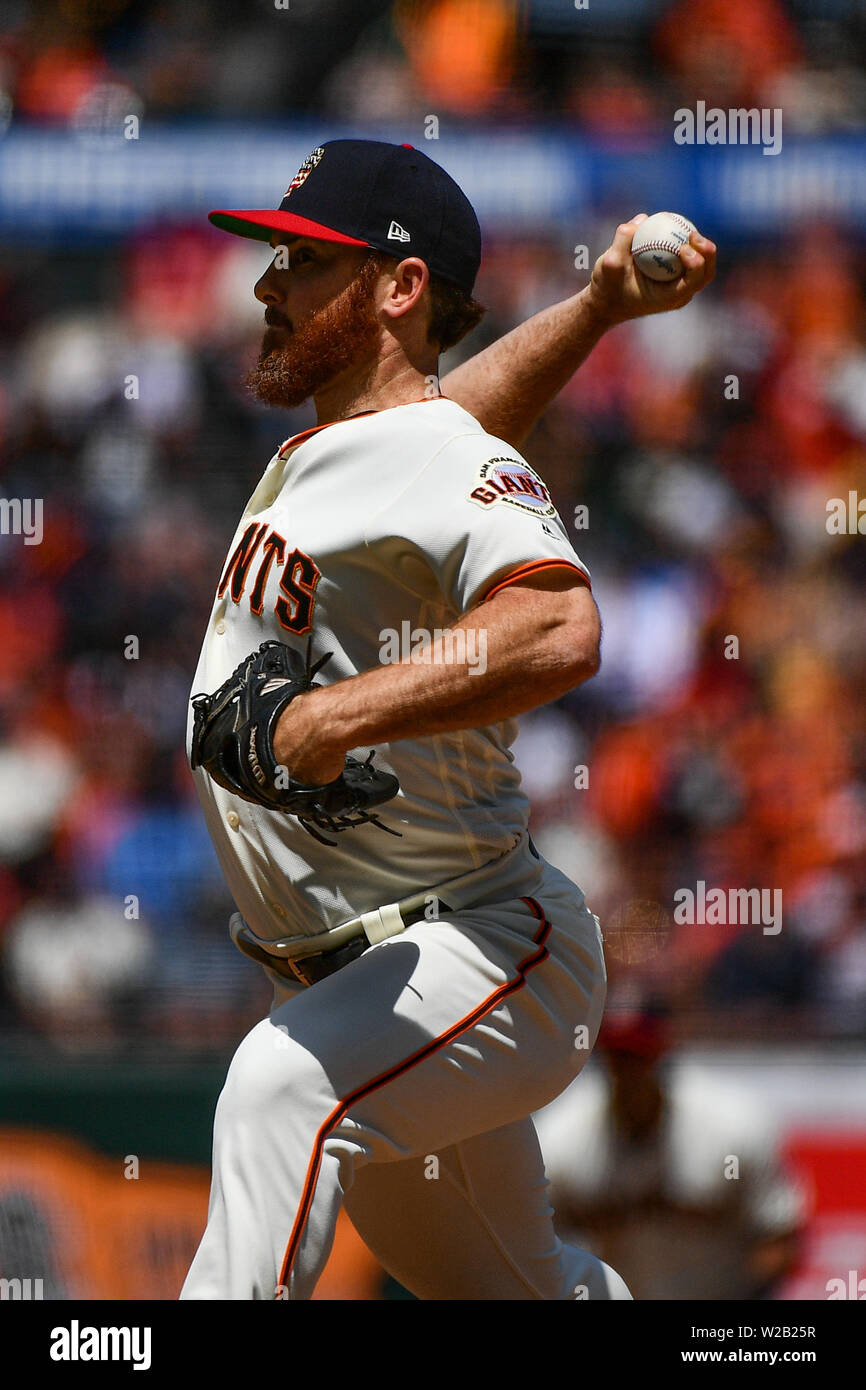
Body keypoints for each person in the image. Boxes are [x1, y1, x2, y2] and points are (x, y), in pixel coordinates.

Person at [180, 138, 715, 1300]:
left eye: (304, 261)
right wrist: (595, 307)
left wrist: (331, 717)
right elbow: (441, 424)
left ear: (397, 286)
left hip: (483, 945)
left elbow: (556, 630)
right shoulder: (375, 444)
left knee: (278, 1093)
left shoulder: (442, 455)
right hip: (358, 977)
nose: (268, 285)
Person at [534, 1006, 808, 1300]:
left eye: (639, 1056)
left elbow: (779, 1237)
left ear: (663, 1055)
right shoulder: (560, 1137)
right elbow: (532, 1250)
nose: (629, 1070)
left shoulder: (733, 1125)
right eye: (618, 1057)